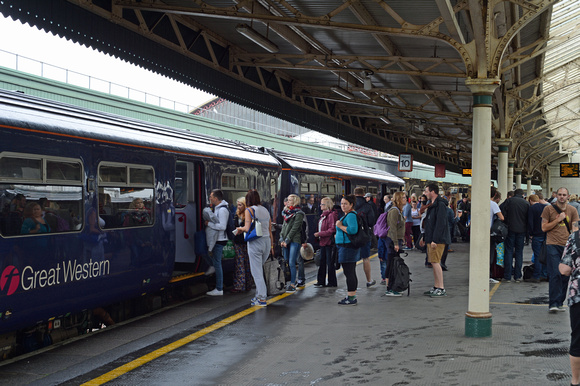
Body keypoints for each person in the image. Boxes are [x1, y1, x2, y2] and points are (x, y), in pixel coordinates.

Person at [542, 187, 579, 312]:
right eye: (560, 194)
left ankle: (560, 302)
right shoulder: (548, 209)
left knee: (565, 275)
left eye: (564, 195)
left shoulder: (572, 210)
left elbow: (575, 229)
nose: (562, 196)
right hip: (552, 244)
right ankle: (553, 303)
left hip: (567, 246)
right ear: (556, 195)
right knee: (555, 274)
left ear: (568, 196)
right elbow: (544, 228)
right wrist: (557, 220)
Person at [236, 189, 274, 307]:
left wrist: (239, 229)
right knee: (259, 270)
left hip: (255, 242)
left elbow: (247, 228)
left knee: (256, 272)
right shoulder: (265, 210)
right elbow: (269, 229)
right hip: (267, 241)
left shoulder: (249, 210)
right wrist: (272, 245)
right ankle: (258, 296)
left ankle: (262, 298)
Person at [422, 183, 451, 297]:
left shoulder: (440, 205)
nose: (425, 193)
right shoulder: (433, 204)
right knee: (433, 262)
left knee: (435, 262)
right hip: (432, 238)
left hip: (437, 240)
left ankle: (441, 287)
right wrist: (425, 238)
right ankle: (436, 286)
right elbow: (429, 223)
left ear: (433, 191)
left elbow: (440, 223)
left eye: (426, 191)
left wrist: (435, 239)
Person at [559, 232, 580, 386]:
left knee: (578, 339)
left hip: (578, 296)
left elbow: (565, 270)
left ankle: (575, 381)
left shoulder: (575, 237)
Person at [335, 194, 360, 305]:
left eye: (345, 204)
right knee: (349, 271)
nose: (343, 206)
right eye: (342, 204)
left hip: (348, 247)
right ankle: (351, 296)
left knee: (349, 272)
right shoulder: (347, 215)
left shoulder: (351, 215)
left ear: (351, 205)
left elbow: (352, 230)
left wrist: (340, 226)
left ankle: (351, 298)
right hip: (345, 247)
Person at [501, 188, 529, 282]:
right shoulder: (526, 203)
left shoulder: (508, 201)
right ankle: (517, 276)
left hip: (510, 230)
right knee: (519, 252)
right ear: (522, 194)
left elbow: (503, 215)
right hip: (521, 230)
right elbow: (528, 218)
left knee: (508, 252)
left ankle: (507, 276)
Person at [205, 189, 229, 296]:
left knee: (217, 263)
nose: (210, 198)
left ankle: (219, 288)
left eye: (211, 196)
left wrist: (209, 224)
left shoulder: (222, 210)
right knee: (216, 262)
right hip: (217, 238)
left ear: (216, 198)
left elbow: (222, 226)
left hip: (220, 239)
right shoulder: (218, 208)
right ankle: (212, 267)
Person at [280, 194, 306, 292]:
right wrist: (281, 238)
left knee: (291, 262)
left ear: (295, 201)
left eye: (290, 200)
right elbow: (284, 226)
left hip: (294, 240)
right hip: (285, 240)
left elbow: (295, 228)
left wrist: (287, 240)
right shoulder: (286, 212)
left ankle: (292, 283)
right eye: (288, 199)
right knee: (285, 260)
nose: (288, 201)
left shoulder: (299, 213)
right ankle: (288, 281)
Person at [384, 191, 406, 296]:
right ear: (398, 199)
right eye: (403, 197)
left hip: (396, 239)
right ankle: (390, 287)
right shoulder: (394, 211)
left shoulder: (399, 211)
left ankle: (393, 286)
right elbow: (392, 228)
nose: (406, 199)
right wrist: (396, 242)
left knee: (393, 262)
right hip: (392, 240)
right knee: (391, 263)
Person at [354, 187, 377, 287]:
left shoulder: (351, 205)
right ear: (364, 194)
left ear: (354, 194)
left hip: (352, 235)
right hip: (364, 235)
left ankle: (352, 281)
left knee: (352, 260)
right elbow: (372, 222)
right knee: (366, 258)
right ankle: (369, 280)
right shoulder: (368, 206)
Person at [313, 197, 338, 288]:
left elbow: (332, 229)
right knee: (322, 261)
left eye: (322, 204)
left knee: (329, 262)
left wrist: (320, 233)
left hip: (329, 242)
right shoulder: (323, 215)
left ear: (327, 205)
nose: (320, 205)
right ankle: (321, 281)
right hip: (323, 241)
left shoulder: (331, 215)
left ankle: (332, 282)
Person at [231, 197, 253, 292]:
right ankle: (240, 285)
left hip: (246, 241)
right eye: (238, 205)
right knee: (239, 263)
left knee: (247, 263)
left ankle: (247, 284)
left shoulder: (248, 215)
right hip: (238, 241)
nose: (238, 207)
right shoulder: (236, 215)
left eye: (240, 205)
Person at [527, 194, 547, 282]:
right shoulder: (545, 207)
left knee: (537, 255)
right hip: (545, 234)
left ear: (530, 201)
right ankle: (544, 274)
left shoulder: (531, 208)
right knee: (545, 255)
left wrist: (531, 233)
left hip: (536, 235)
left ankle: (536, 276)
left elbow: (530, 222)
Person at [490, 187, 505, 282]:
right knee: (490, 254)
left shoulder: (479, 202)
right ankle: (489, 275)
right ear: (495, 195)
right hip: (489, 232)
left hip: (478, 231)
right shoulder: (493, 204)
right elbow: (502, 217)